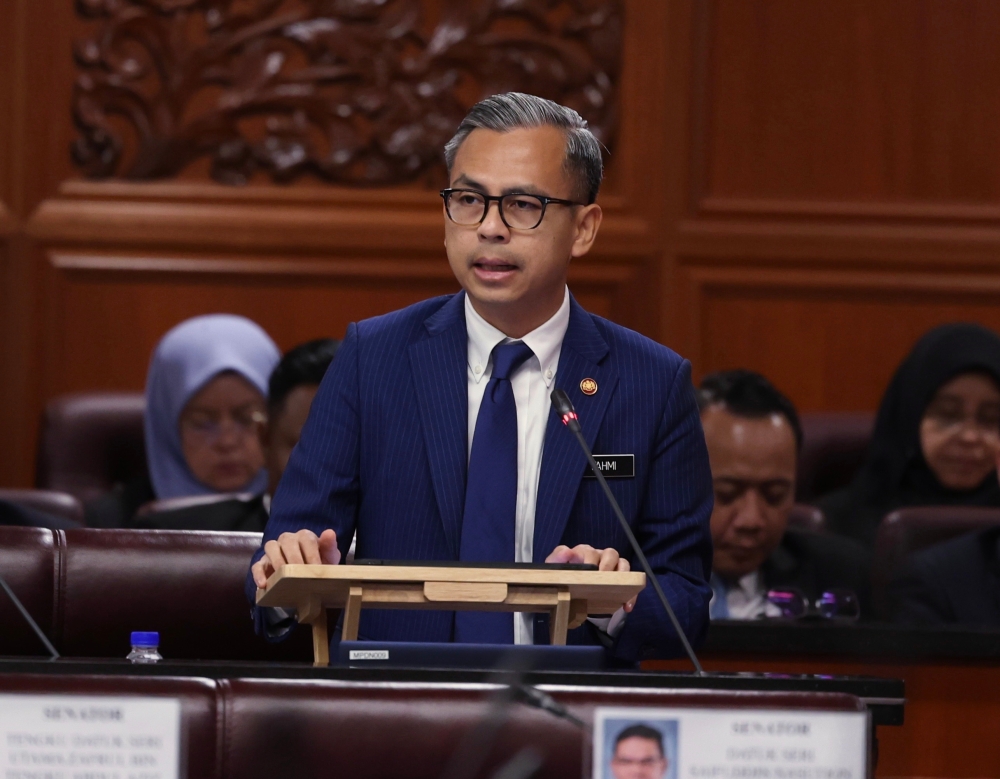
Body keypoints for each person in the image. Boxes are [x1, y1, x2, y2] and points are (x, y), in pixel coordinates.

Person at [247, 92, 714, 661]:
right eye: (469, 200)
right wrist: (287, 568)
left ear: (585, 228)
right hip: (397, 706)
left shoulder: (652, 384)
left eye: (522, 205)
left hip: (568, 709)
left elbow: (687, 601)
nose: (490, 228)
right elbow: (276, 568)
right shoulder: (375, 357)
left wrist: (611, 602)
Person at [698, 370, 871, 620]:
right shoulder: (628, 571)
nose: (751, 520)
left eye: (774, 495)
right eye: (726, 493)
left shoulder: (842, 576)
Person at [85, 314, 280, 527]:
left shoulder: (305, 513)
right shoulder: (111, 524)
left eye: (247, 418)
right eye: (201, 422)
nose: (227, 441)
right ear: (167, 425)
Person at [818, 323, 1000, 547]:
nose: (970, 437)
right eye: (948, 415)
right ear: (908, 417)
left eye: (992, 419)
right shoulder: (836, 524)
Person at [132, 338, 341, 532]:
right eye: (310, 450)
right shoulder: (174, 542)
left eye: (358, 453)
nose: (336, 472)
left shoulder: (372, 541)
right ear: (265, 440)